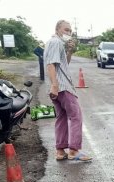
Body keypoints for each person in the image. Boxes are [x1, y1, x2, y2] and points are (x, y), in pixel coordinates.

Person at [44, 20, 91, 162]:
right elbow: (50, 65)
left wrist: (69, 51)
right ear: (57, 29)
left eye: (70, 31)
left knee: (62, 117)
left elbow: (64, 64)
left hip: (58, 87)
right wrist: (55, 85)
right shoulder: (56, 42)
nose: (68, 33)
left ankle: (60, 151)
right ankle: (74, 150)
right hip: (62, 86)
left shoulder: (57, 44)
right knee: (76, 116)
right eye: (66, 30)